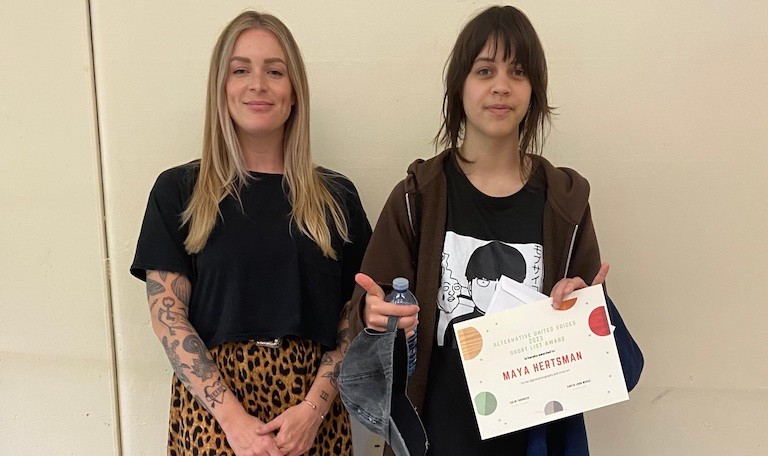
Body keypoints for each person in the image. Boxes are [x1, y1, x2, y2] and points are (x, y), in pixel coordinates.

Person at [349, 5, 643, 455]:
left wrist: (582, 307)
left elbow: (594, 354)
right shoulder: (418, 197)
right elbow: (367, 317)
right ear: (459, 87)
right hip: (434, 440)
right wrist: (376, 317)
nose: (501, 87)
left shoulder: (564, 204)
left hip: (533, 443)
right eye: (484, 70)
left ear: (534, 91)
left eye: (518, 73)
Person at [131, 11, 370, 456]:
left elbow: (354, 316)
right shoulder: (180, 191)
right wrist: (233, 422)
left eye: (274, 71)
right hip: (213, 414)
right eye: (241, 70)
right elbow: (167, 317)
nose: (258, 84)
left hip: (311, 417)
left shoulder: (336, 198)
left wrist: (314, 409)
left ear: (294, 91)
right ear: (221, 89)